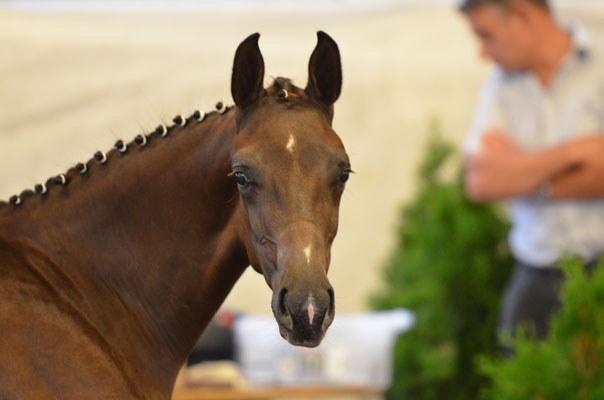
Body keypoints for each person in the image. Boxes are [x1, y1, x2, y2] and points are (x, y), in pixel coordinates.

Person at [460, 0, 604, 350]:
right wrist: (574, 153)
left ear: (523, 13)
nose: (482, 52)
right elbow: (480, 181)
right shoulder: (498, 87)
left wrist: (520, 171)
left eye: (486, 36)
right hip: (536, 273)